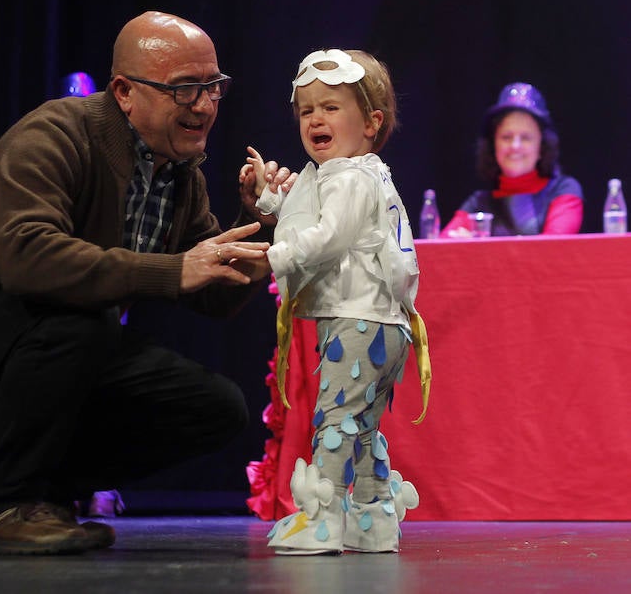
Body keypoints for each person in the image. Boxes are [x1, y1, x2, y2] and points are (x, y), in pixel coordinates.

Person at [0, 10, 296, 556]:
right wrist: (174, 270)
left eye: (213, 87)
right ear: (125, 92)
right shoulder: (57, 133)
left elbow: (212, 294)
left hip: (63, 335)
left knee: (214, 405)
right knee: (83, 319)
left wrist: (264, 226)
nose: (204, 106)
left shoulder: (181, 175)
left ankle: (47, 497)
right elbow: (30, 260)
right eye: (184, 89)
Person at [240, 49, 429, 555]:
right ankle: (373, 518)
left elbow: (329, 239)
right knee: (361, 423)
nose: (315, 119)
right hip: (380, 324)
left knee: (337, 416)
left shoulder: (348, 177)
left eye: (330, 107)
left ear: (371, 122)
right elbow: (323, 223)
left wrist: (273, 258)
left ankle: (321, 518)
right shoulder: (356, 173)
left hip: (360, 321)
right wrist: (271, 199)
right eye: (306, 111)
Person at [59, 70, 126, 520]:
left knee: (108, 380)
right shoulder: (59, 148)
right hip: (66, 289)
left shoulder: (120, 154)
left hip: (109, 285)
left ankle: (103, 483)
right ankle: (58, 484)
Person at [441, 82, 584, 237]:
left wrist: (478, 251)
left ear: (542, 147)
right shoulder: (478, 203)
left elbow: (552, 251)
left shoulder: (563, 190)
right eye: (506, 137)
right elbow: (442, 250)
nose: (515, 146)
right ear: (493, 145)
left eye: (526, 138)